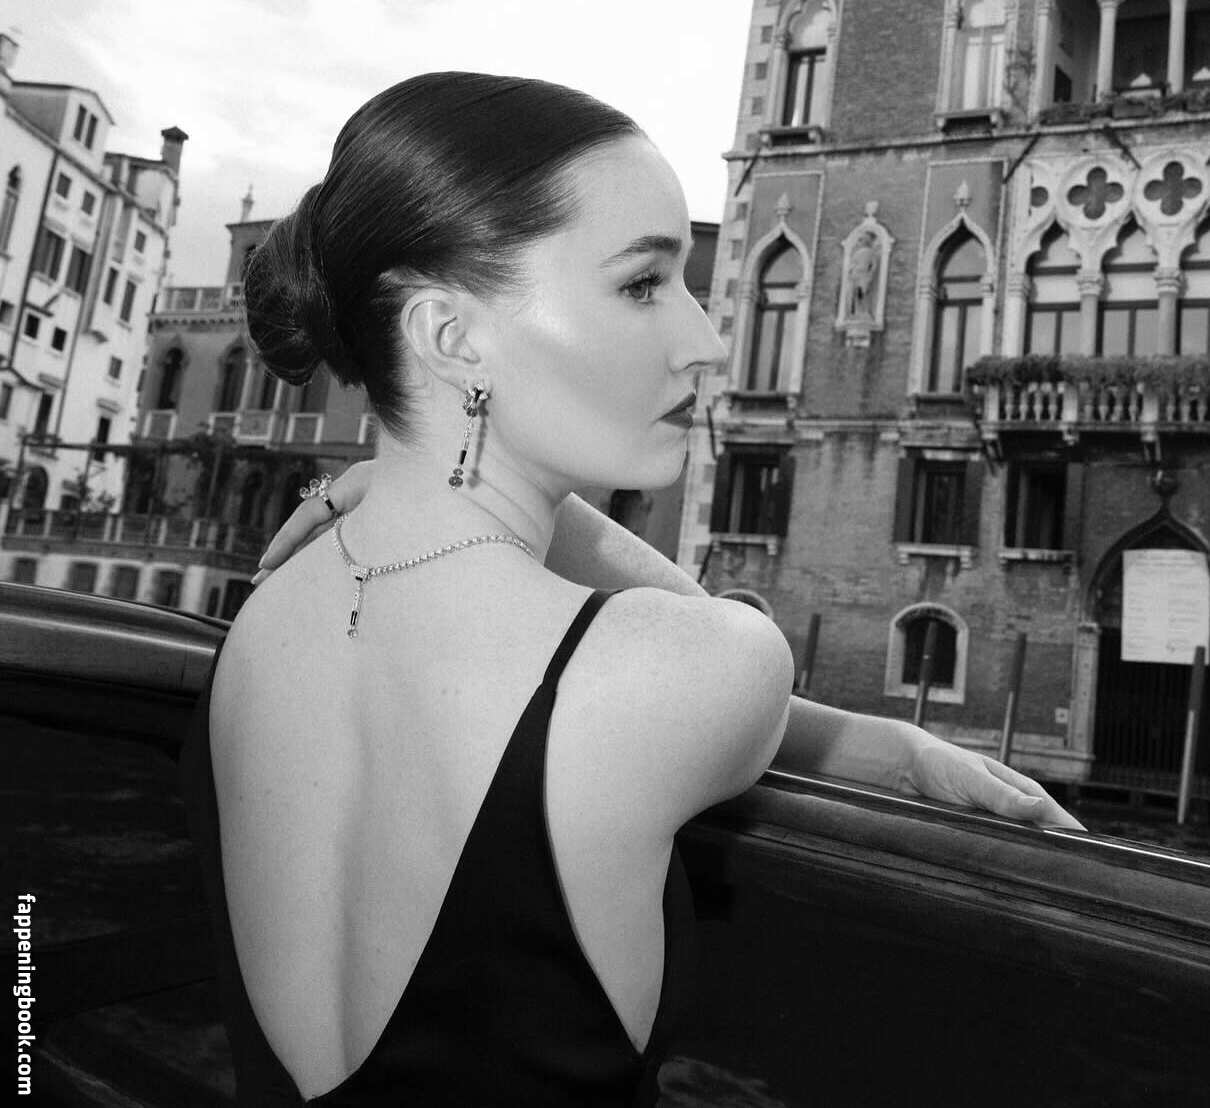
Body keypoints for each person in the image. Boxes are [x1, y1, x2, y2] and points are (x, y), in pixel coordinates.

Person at [184, 72, 1082, 1108]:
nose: (707, 340)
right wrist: (909, 750)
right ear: (450, 337)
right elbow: (697, 653)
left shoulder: (260, 623)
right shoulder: (695, 666)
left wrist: (400, 482)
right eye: (644, 285)